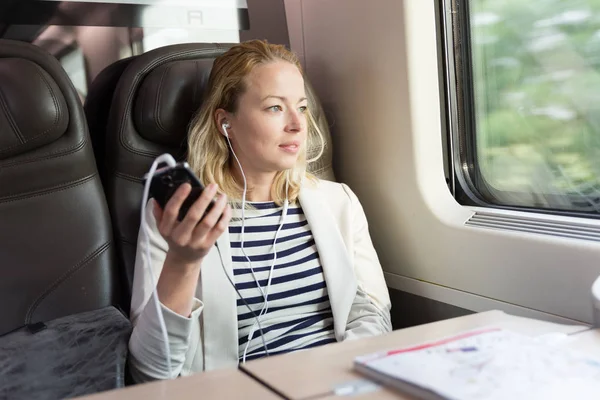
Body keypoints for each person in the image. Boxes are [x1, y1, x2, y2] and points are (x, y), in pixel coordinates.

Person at [128, 39, 392, 382]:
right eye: (274, 108)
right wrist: (183, 261)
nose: (298, 124)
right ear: (226, 123)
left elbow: (371, 316)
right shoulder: (180, 218)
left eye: (302, 107)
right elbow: (151, 373)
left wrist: (339, 382)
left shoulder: (338, 202)